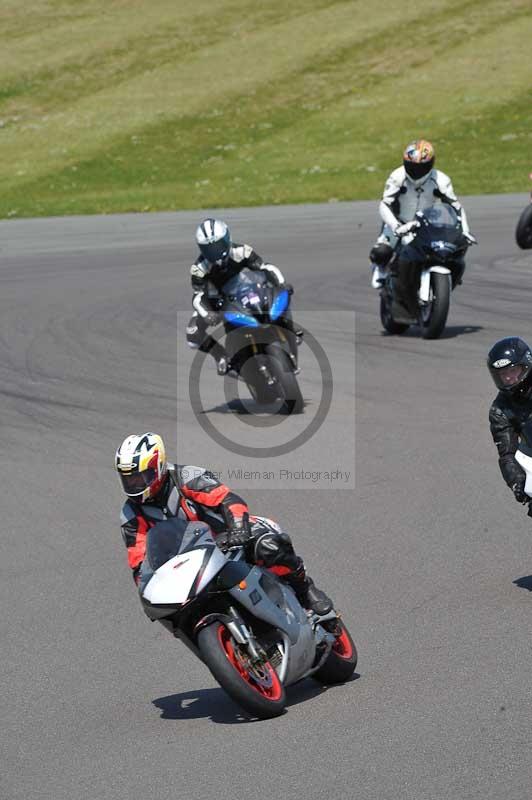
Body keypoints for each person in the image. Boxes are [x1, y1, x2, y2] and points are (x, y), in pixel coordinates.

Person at [116, 432, 332, 614]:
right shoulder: (131, 514)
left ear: (158, 465)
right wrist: (150, 589)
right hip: (189, 567)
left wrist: (238, 528)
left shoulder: (186, 476)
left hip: (229, 538)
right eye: (129, 478)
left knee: (269, 547)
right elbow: (139, 562)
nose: (134, 483)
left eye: (140, 476)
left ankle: (305, 590)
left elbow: (227, 499)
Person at [186, 218, 298, 375]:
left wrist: (281, 283)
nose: (215, 252)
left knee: (280, 295)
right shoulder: (199, 269)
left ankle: (289, 328)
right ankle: (221, 356)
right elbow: (197, 297)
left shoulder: (242, 251)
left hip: (242, 288)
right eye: (210, 249)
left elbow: (266, 268)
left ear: (227, 238)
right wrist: (207, 314)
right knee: (192, 333)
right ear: (202, 249)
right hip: (215, 299)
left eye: (218, 245)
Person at [369, 139, 476, 290]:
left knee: (453, 248)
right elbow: (384, 204)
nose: (416, 171)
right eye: (412, 166)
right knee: (381, 252)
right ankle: (380, 270)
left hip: (426, 223)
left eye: (422, 167)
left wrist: (465, 231)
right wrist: (395, 226)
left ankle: (446, 280)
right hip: (399, 222)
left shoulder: (441, 180)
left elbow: (456, 207)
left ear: (431, 164)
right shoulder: (397, 177)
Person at [488, 337, 532, 506]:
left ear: (526, 364)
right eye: (502, 374)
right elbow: (507, 454)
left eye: (512, 371)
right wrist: (517, 482)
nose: (507, 378)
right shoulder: (500, 409)